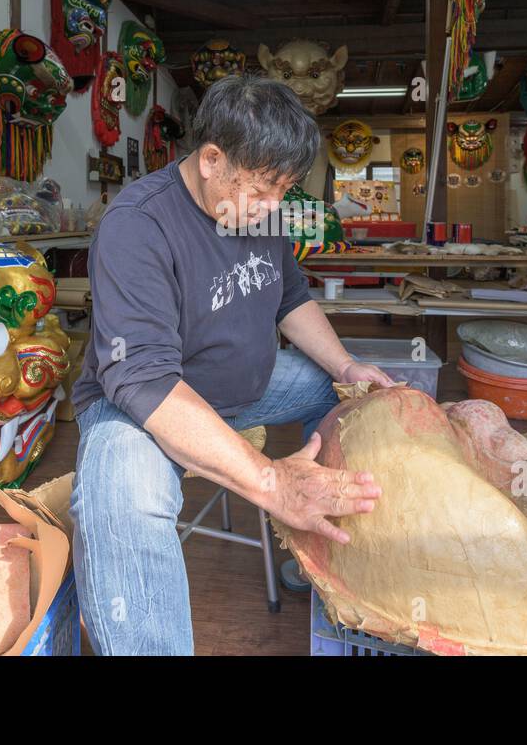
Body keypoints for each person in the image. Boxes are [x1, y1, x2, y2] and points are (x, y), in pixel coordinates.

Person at [69, 74, 395, 655]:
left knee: (351, 399)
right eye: (265, 189)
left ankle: (319, 554)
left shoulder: (259, 215)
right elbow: (141, 377)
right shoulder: (137, 225)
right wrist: (270, 481)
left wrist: (347, 368)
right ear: (212, 159)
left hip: (249, 387)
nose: (275, 208)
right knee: (124, 493)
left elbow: (291, 298)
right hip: (147, 404)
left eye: (285, 191)